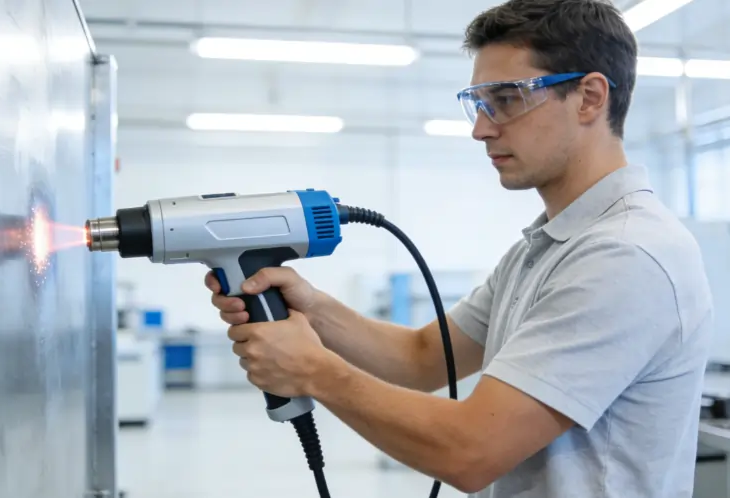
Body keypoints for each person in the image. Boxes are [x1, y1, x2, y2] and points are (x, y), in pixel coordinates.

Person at [205, 0, 713, 496]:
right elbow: (424, 357)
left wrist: (314, 371)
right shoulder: (549, 246)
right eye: (479, 103)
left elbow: (472, 451)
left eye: (508, 99)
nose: (481, 128)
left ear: (589, 97)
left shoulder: (624, 255)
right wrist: (314, 312)